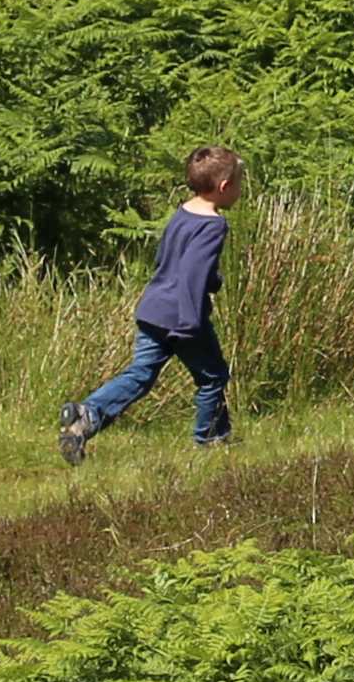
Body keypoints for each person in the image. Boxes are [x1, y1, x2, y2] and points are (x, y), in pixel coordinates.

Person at [65, 148, 240, 458]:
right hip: (183, 316)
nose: (240, 190)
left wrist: (213, 280)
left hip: (154, 308)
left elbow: (169, 259)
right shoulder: (213, 225)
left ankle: (86, 415)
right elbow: (191, 275)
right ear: (224, 186)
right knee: (213, 376)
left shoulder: (183, 211)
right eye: (239, 183)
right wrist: (190, 323)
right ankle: (211, 439)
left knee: (140, 374)